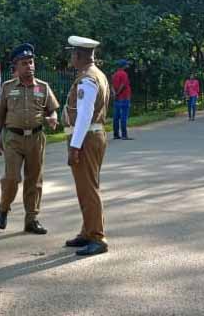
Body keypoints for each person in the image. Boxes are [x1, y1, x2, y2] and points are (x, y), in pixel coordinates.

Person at [0, 43, 60, 234]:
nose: (29, 66)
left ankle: (31, 219)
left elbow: (52, 109)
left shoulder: (43, 87)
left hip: (36, 138)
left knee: (34, 180)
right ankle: (3, 208)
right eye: (24, 63)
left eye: (31, 62)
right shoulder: (7, 88)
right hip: (13, 138)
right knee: (12, 178)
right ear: (16, 66)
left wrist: (53, 118)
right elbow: (0, 115)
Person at [63, 36, 111, 256]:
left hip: (86, 138)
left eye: (73, 53)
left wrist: (75, 147)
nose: (71, 57)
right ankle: (87, 231)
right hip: (92, 136)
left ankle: (97, 237)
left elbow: (84, 114)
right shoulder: (96, 74)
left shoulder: (87, 79)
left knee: (88, 188)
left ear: (80, 56)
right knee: (87, 186)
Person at [111, 59, 132, 140]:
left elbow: (112, 85)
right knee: (124, 117)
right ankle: (124, 135)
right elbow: (123, 85)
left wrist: (114, 94)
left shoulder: (115, 74)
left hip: (117, 99)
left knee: (116, 117)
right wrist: (118, 93)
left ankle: (116, 134)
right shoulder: (124, 74)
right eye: (126, 65)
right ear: (123, 66)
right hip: (124, 97)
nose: (127, 66)